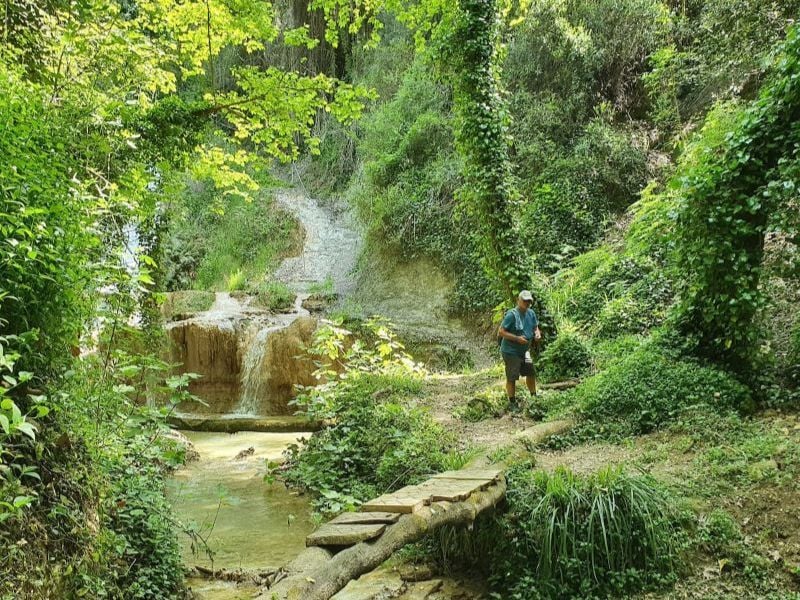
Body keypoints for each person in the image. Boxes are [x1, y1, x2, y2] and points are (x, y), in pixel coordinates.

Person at [498, 290, 541, 413]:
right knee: (512, 377)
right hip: (510, 351)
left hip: (525, 350)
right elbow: (501, 332)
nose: (527, 303)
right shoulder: (512, 315)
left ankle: (534, 397)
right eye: (525, 301)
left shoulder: (531, 313)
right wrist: (517, 338)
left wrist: (537, 333)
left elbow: (535, 327)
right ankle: (512, 402)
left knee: (530, 372)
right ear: (519, 300)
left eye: (529, 301)